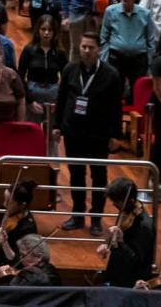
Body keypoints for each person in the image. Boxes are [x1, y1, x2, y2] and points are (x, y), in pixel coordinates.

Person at [54, 32, 124, 233]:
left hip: (98, 134)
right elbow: (61, 100)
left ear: (99, 49)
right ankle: (77, 215)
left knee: (98, 176)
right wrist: (57, 125)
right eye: (83, 47)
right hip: (73, 131)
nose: (86, 51)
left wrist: (115, 135)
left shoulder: (111, 75)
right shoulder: (70, 70)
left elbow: (116, 108)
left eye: (90, 47)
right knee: (76, 174)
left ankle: (95, 218)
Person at [95, 176, 154, 288]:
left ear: (130, 200)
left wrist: (121, 242)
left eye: (117, 202)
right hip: (117, 275)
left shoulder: (144, 227)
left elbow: (135, 260)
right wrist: (107, 244)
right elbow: (119, 244)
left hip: (131, 281)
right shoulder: (127, 211)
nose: (114, 205)